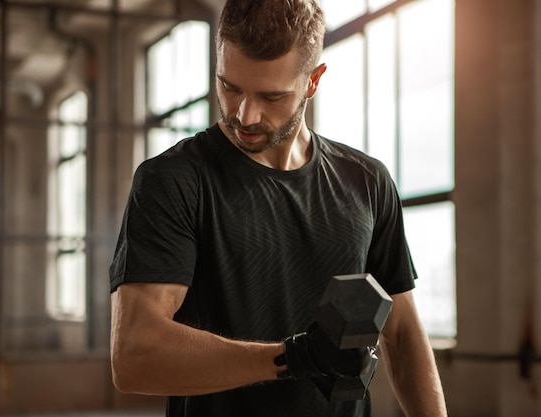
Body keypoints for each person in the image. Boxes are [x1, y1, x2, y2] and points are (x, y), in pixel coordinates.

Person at [109, 0, 447, 415]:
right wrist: (294, 358)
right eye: (229, 87)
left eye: (271, 95)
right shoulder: (173, 181)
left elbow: (403, 332)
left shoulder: (367, 181)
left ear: (313, 80)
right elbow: (134, 357)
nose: (244, 115)